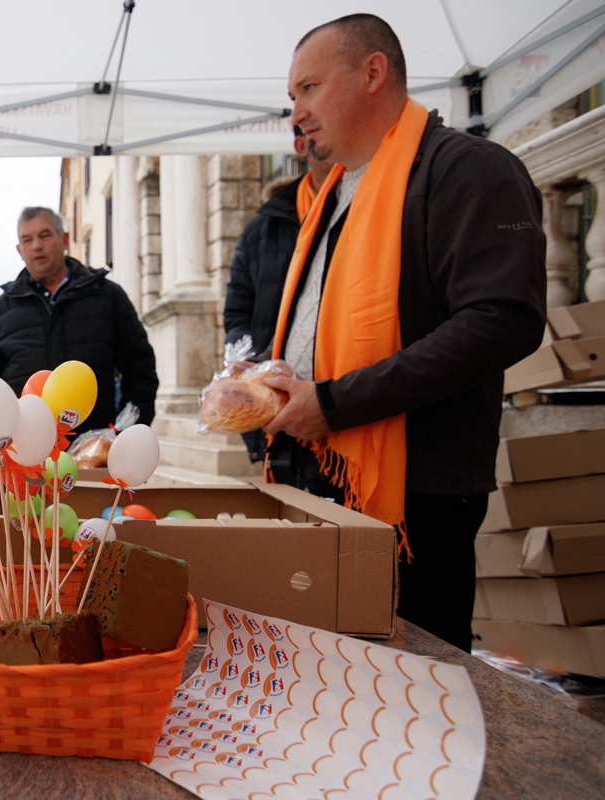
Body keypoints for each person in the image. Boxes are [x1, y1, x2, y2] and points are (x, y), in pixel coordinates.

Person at [261, 14, 546, 651]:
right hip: (325, 470)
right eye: (291, 99)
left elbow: (503, 319)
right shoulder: (333, 194)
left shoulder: (469, 170)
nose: (296, 113)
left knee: (415, 683)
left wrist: (333, 402)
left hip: (417, 494)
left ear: (372, 72)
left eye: (307, 88)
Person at [0, 206, 158, 434]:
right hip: (22, 454)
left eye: (45, 235)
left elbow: (140, 369)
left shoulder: (108, 297)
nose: (37, 245)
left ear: (65, 239)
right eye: (27, 240)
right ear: (20, 250)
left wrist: (125, 431)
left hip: (93, 450)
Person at [224, 126, 334, 461]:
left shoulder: (368, 211)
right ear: (302, 147)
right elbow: (237, 310)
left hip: (343, 405)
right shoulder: (262, 229)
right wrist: (250, 360)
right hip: (277, 417)